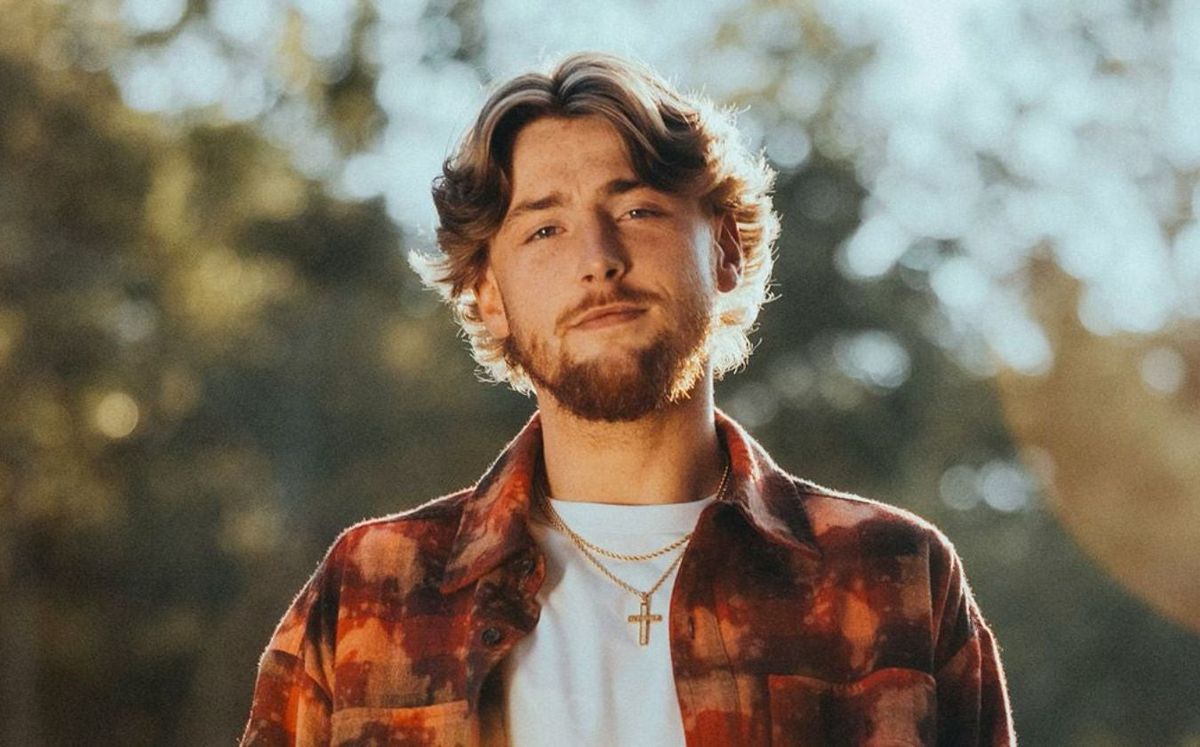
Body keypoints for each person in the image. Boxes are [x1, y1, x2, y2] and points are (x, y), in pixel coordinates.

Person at [240, 52, 1015, 746]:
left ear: (725, 249)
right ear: (489, 296)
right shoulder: (374, 592)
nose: (598, 260)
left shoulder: (890, 579)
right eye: (545, 230)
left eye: (638, 209)